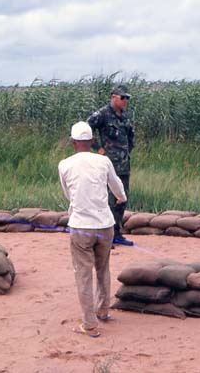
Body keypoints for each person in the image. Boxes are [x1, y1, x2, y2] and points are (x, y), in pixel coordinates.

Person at [58, 121, 127, 338]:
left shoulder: (65, 164)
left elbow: (68, 192)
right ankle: (103, 310)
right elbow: (116, 185)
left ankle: (90, 324)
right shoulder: (103, 161)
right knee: (103, 268)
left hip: (81, 227)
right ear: (91, 141)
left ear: (73, 142)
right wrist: (121, 198)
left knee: (83, 275)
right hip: (105, 226)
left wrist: (77, 206)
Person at [87, 84, 135, 246]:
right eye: (123, 98)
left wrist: (128, 152)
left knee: (122, 198)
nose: (125, 101)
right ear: (114, 97)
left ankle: (116, 232)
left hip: (123, 164)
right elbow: (86, 130)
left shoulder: (124, 116)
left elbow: (130, 137)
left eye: (127, 98)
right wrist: (98, 148)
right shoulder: (102, 114)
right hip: (107, 165)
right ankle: (104, 236)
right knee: (108, 199)